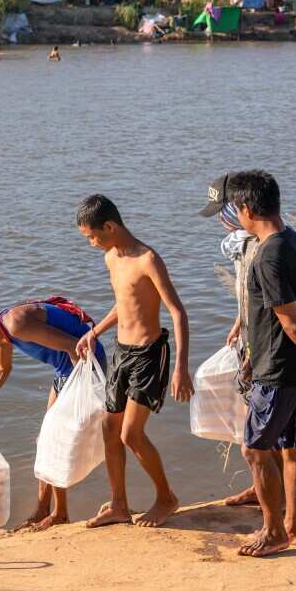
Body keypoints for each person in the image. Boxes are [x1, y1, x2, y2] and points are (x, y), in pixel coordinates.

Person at [225, 170, 296, 557]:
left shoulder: (268, 254)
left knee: (255, 450)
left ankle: (273, 530)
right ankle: (295, 526)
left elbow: (291, 320)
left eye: (236, 210)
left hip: (276, 371)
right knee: (291, 448)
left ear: (245, 209)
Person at [74, 194, 192, 528]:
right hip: (121, 352)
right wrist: (94, 331)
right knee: (109, 428)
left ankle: (166, 498)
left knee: (131, 435)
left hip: (148, 355)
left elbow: (178, 313)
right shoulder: (112, 257)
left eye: (93, 236)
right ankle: (119, 505)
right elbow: (124, 303)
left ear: (109, 226)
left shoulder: (148, 259)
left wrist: (181, 368)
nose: (92, 244)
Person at [0, 298, 105, 531]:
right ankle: (44, 510)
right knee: (46, 440)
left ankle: (59, 513)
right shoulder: (2, 331)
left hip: (82, 363)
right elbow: (1, 369)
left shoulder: (15, 324)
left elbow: (76, 345)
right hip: (65, 369)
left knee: (52, 440)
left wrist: (83, 388)